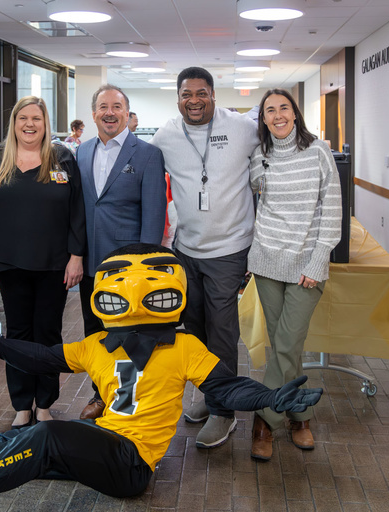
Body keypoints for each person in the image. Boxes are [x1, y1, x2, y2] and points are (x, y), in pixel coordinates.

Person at [0, 244, 324, 511]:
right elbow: (45, 357)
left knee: (45, 435)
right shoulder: (96, 346)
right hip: (101, 438)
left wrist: (267, 397)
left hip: (131, 466)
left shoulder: (182, 347)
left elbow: (224, 386)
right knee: (25, 447)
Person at [150, 66, 260, 449]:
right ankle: (210, 394)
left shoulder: (243, 128)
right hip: (186, 250)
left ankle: (224, 411)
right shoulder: (165, 135)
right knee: (194, 330)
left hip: (229, 249)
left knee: (222, 330)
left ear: (213, 94)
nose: (193, 101)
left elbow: (279, 142)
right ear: (177, 97)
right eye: (186, 95)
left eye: (201, 93)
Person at [248, 89, 342, 461]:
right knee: (285, 346)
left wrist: (318, 260)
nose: (277, 115)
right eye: (270, 110)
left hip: (306, 264)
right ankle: (299, 415)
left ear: (295, 113)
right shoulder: (259, 156)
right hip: (267, 261)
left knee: (286, 344)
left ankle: (264, 420)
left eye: (283, 107)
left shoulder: (318, 151)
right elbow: (258, 196)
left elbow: (332, 207)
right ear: (264, 119)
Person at [0, 96, 86, 428]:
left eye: (36, 118)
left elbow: (77, 210)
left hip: (54, 263)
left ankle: (45, 403)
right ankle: (22, 404)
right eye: (23, 118)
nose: (29, 124)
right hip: (11, 262)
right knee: (18, 333)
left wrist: (76, 256)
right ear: (13, 123)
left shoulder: (62, 157)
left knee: (49, 333)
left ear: (46, 123)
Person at [75, 84, 167, 420]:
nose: (109, 112)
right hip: (91, 265)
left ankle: (129, 399)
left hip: (129, 267)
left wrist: (144, 269)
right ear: (94, 113)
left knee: (130, 336)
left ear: (127, 113)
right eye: (103, 106)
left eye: (116, 106)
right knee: (96, 333)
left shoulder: (147, 154)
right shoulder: (82, 152)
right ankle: (101, 394)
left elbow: (154, 216)